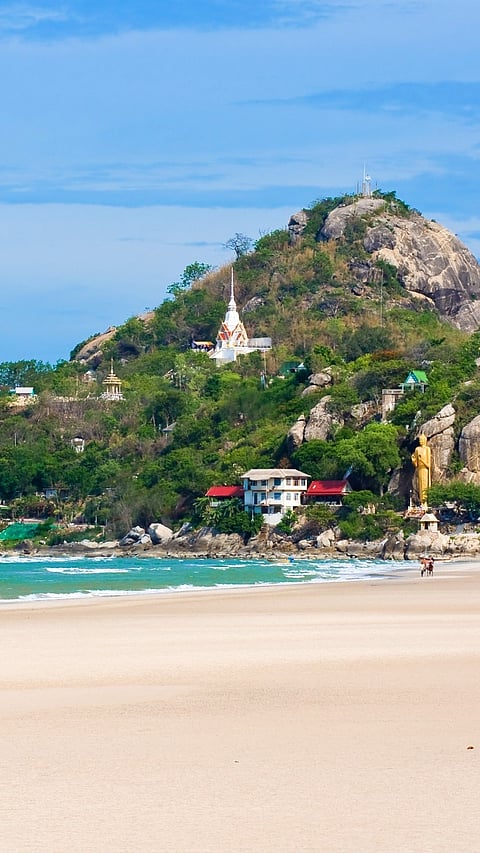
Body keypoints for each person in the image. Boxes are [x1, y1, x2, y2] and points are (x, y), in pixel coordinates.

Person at [411, 433, 432, 508]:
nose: (421, 441)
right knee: (420, 486)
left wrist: (421, 460)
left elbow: (428, 464)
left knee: (425, 486)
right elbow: (415, 462)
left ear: (425, 440)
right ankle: (422, 502)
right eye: (420, 440)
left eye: (422, 440)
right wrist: (414, 460)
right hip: (419, 469)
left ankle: (425, 502)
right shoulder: (417, 449)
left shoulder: (427, 449)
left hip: (425, 469)